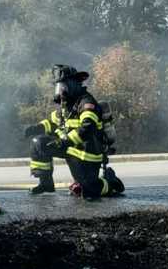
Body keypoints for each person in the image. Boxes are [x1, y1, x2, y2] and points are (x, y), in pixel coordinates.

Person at [23, 65, 125, 200]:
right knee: (39, 143)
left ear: (71, 84)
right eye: (58, 87)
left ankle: (111, 182)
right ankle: (46, 184)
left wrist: (65, 142)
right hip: (70, 148)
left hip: (87, 153)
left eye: (62, 87)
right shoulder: (66, 106)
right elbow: (53, 122)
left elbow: (88, 127)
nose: (60, 91)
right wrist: (35, 128)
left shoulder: (86, 102)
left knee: (89, 190)